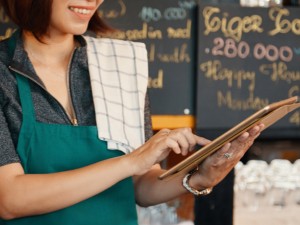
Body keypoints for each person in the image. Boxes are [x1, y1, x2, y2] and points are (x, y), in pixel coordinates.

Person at [0, 0, 264, 224]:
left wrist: (199, 177)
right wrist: (129, 162)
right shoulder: (4, 73)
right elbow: (9, 199)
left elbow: (139, 185)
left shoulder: (120, 65)